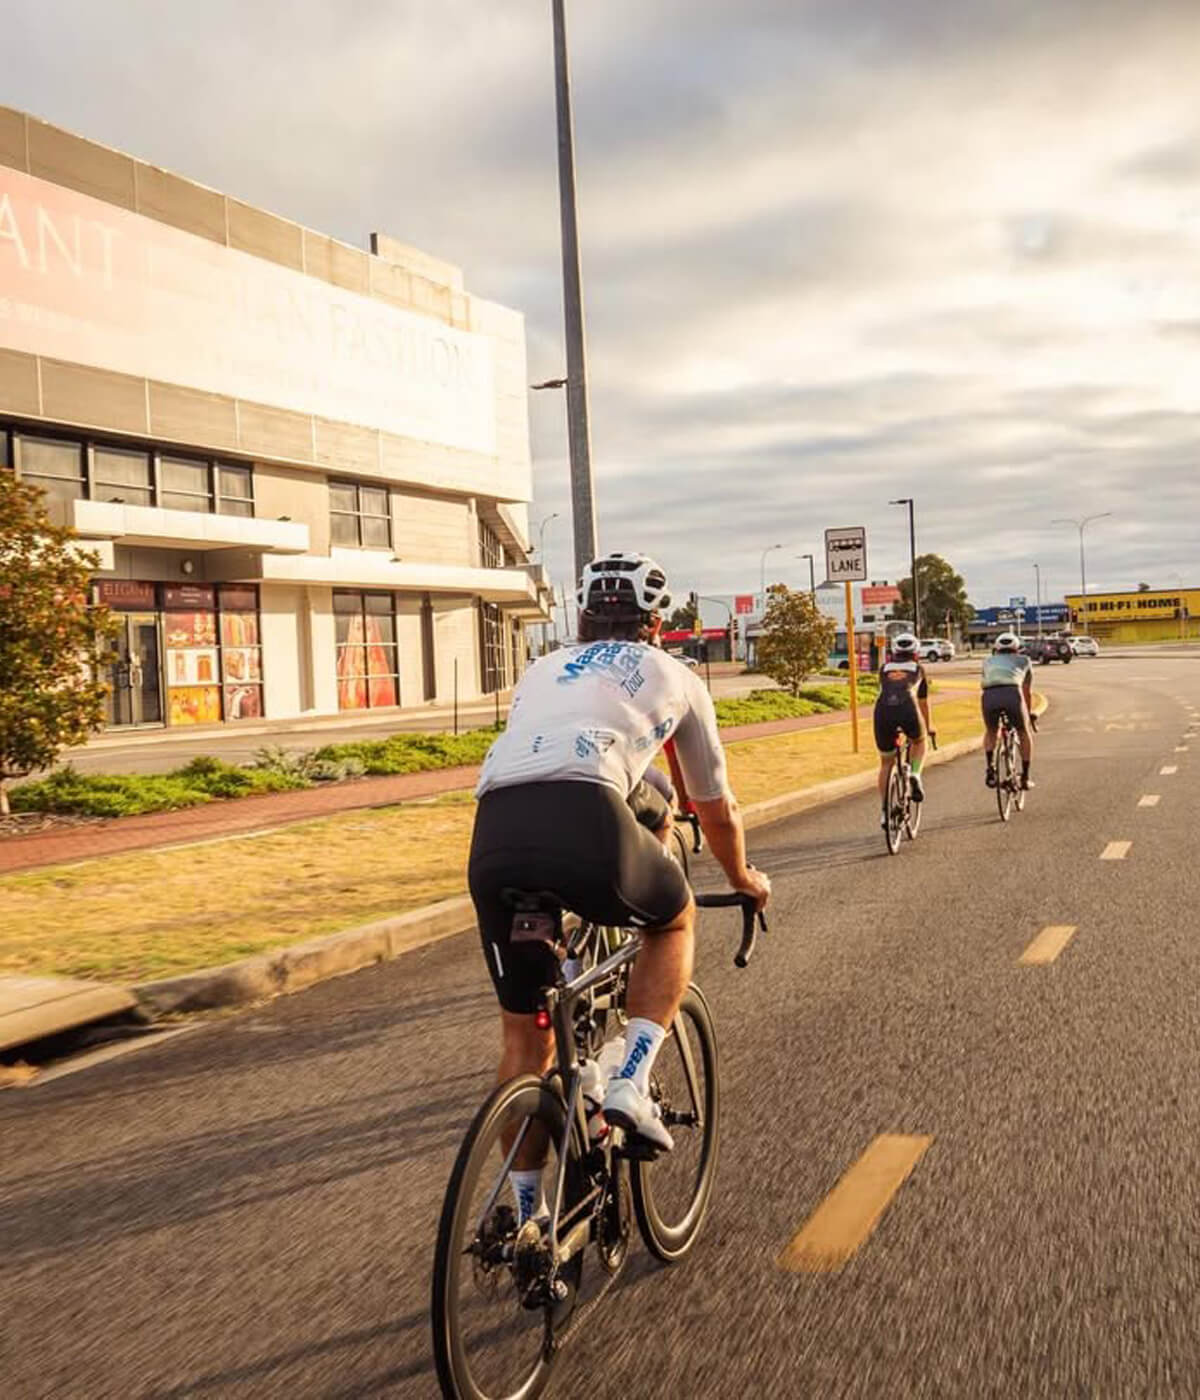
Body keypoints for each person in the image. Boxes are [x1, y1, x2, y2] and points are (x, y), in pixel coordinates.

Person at [468, 552, 771, 1210]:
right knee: (673, 917)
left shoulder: (540, 668)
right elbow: (715, 809)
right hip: (587, 818)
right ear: (657, 623)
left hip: (493, 834)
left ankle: (526, 1215)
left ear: (583, 617)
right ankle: (632, 1076)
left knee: (525, 1039)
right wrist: (743, 877)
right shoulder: (677, 676)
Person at [874, 632, 933, 823]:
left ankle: (885, 811)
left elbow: (885, 690)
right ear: (916, 653)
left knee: (885, 763)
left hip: (882, 712)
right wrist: (929, 726)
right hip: (909, 708)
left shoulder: (883, 669)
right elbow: (923, 702)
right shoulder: (919, 669)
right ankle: (915, 773)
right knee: (920, 741)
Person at [981, 632, 1035, 789]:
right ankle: (1025, 777)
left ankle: (990, 768)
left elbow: (985, 681)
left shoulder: (987, 662)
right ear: (1017, 649)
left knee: (991, 731)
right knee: (1023, 732)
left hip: (989, 695)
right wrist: (1028, 714)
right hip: (1013, 694)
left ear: (996, 649)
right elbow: (1026, 691)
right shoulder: (1024, 661)